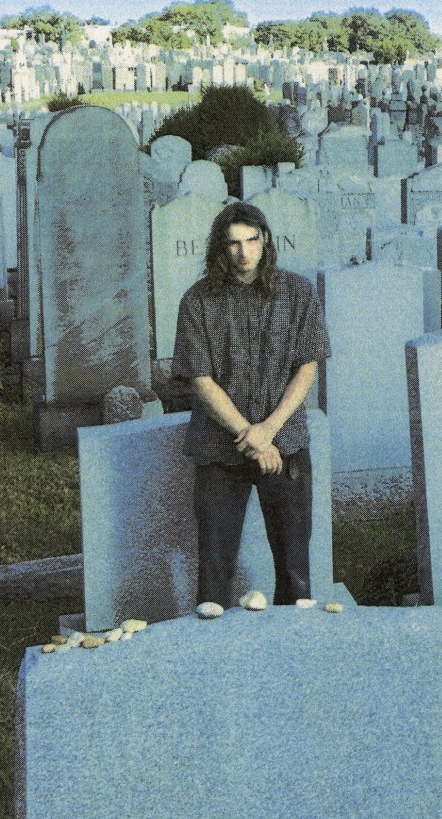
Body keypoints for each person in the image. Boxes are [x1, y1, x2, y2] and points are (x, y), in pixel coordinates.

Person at [171, 202, 331, 608]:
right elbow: (200, 379)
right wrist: (251, 436)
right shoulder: (197, 301)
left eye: (252, 240)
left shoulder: (298, 293)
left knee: (294, 567)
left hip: (285, 442)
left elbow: (307, 367)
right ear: (220, 247)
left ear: (266, 240)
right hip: (219, 445)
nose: (244, 252)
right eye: (233, 243)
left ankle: (295, 639)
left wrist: (268, 430)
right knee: (214, 567)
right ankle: (213, 640)